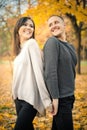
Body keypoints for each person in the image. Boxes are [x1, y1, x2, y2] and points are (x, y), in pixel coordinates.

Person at [12, 16, 52, 130]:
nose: (29, 28)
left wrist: (46, 101)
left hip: (30, 100)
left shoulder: (32, 44)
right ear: (18, 28)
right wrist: (13, 94)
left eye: (31, 26)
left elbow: (39, 72)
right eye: (25, 24)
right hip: (18, 99)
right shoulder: (20, 49)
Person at [43, 15, 77, 130]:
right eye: (50, 25)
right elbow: (50, 72)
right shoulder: (52, 42)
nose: (53, 26)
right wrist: (55, 98)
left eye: (56, 22)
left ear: (64, 25)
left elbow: (71, 69)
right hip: (60, 99)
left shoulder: (70, 46)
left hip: (69, 96)